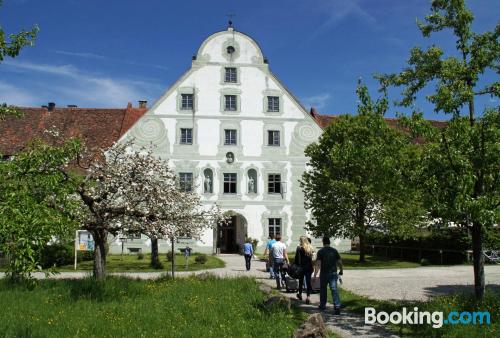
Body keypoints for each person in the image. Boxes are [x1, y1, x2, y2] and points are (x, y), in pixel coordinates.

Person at [314, 236, 343, 314]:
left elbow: (318, 264)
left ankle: (323, 305)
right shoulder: (334, 251)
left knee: (323, 290)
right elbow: (339, 262)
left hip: (324, 273)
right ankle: (337, 306)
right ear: (329, 242)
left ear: (323, 242)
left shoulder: (320, 251)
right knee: (334, 289)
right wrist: (341, 270)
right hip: (333, 274)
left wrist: (315, 275)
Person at [295, 235, 314, 304]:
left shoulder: (299, 248)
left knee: (301, 281)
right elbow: (311, 259)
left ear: (301, 241)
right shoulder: (310, 247)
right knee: (308, 281)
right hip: (309, 267)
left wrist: (297, 266)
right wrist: (312, 266)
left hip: (302, 267)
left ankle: (300, 294)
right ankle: (308, 296)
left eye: (300, 240)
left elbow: (298, 259)